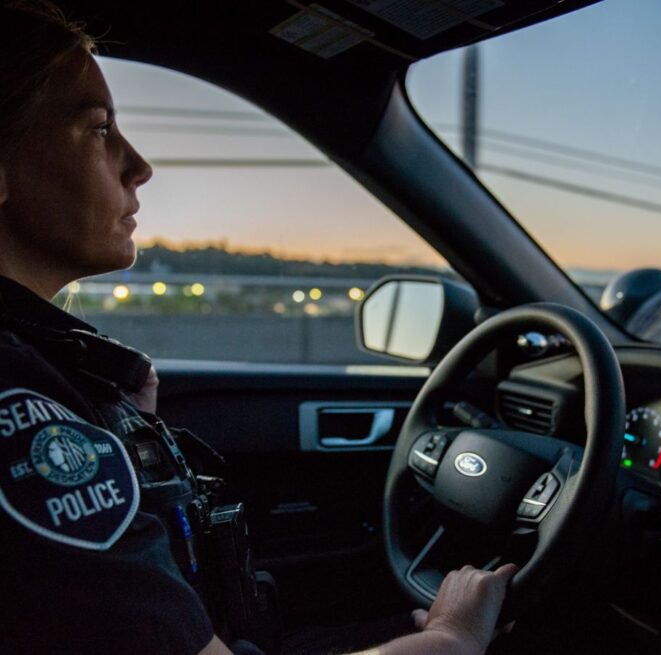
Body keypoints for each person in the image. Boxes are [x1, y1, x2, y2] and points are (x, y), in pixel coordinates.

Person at [0, 3, 517, 654]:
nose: (138, 166)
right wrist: (453, 636)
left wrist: (116, 421)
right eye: (99, 128)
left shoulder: (51, 369)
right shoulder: (20, 405)